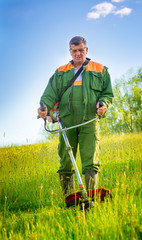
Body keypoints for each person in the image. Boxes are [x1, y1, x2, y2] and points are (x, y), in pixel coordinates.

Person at [38, 36, 114, 196]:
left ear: (86, 50)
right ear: (70, 52)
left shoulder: (100, 69)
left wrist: (104, 104)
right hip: (67, 122)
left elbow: (107, 93)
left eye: (81, 50)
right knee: (66, 159)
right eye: (74, 50)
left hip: (89, 120)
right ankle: (70, 197)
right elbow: (49, 96)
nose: (78, 53)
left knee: (91, 159)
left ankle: (91, 194)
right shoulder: (61, 72)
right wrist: (44, 109)